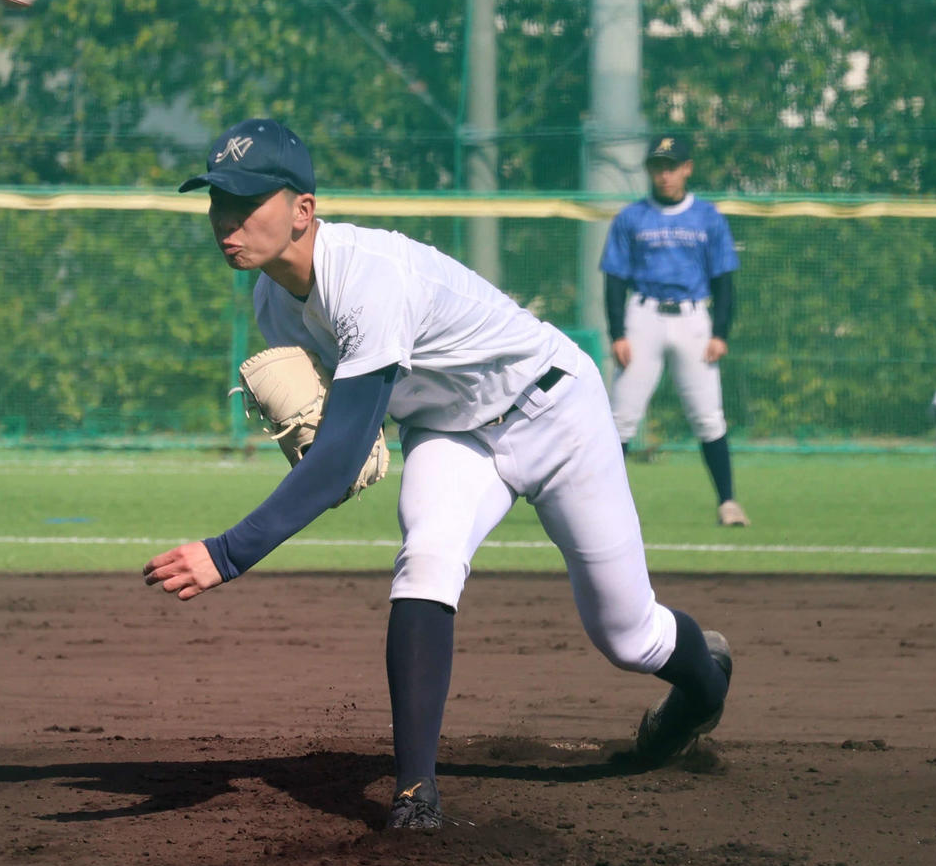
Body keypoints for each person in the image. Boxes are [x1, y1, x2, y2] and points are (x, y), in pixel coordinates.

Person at [142, 118, 733, 830]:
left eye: (245, 200)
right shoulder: (273, 304)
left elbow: (333, 468)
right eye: (216, 201)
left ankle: (703, 691)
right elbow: (347, 433)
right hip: (454, 434)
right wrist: (343, 440)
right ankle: (415, 792)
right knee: (425, 560)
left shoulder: (367, 277)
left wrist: (228, 553)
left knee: (628, 635)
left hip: (554, 410)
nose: (225, 218)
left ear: (304, 210)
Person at [599, 134, 749, 527]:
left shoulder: (708, 217)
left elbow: (724, 279)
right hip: (643, 315)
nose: (664, 174)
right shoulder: (632, 217)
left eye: (671, 166)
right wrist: (617, 332)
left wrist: (721, 332)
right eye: (658, 166)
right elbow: (614, 279)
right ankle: (597, 505)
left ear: (687, 168)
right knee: (621, 418)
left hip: (693, 319)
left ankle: (728, 502)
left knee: (708, 417)